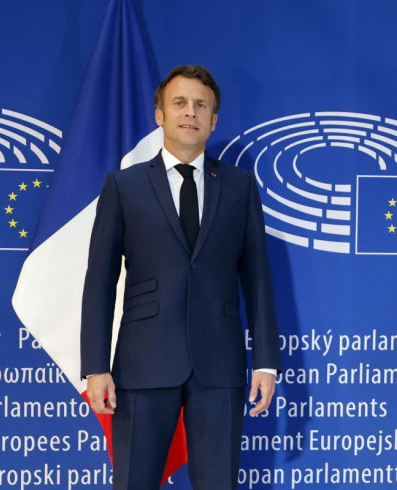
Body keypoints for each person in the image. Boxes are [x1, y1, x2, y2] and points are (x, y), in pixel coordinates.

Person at [80, 65, 281, 489]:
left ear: (213, 120)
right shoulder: (124, 186)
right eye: (180, 103)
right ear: (160, 115)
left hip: (219, 364)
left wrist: (265, 361)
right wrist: (95, 366)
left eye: (200, 105)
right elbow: (99, 281)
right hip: (142, 363)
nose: (190, 112)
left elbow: (258, 279)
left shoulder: (241, 187)